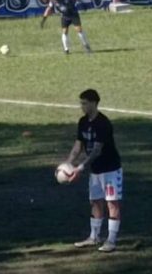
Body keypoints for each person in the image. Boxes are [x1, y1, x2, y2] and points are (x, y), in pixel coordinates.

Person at [63, 89, 122, 253]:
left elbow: (97, 150)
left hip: (110, 168)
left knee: (112, 203)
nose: (82, 106)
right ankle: (94, 236)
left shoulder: (103, 123)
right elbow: (78, 146)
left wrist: (80, 167)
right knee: (95, 202)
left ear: (94, 103)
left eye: (85, 103)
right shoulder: (82, 122)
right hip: (95, 170)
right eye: (81, 103)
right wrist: (68, 163)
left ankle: (111, 240)